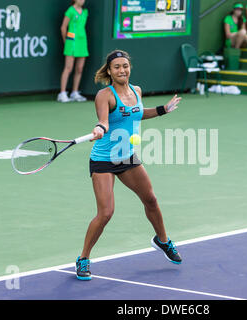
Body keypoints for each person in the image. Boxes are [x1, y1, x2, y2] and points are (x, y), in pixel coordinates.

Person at [75, 50, 183, 281]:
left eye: (125, 66)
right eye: (117, 67)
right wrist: (100, 129)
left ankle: (162, 241)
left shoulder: (137, 90)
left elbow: (138, 114)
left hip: (127, 157)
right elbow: (103, 120)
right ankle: (83, 258)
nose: (122, 70)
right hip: (104, 159)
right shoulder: (105, 95)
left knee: (151, 199)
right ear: (109, 71)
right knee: (106, 213)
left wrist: (163, 109)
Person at [58, 0, 89, 103]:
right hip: (71, 42)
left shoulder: (85, 12)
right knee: (68, 68)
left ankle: (74, 92)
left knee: (79, 69)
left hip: (82, 42)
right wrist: (66, 41)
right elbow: (63, 27)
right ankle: (62, 93)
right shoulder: (70, 11)